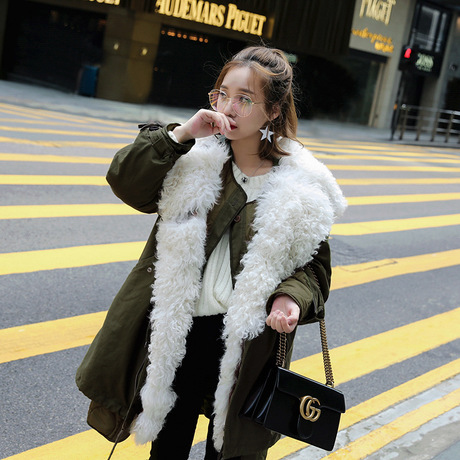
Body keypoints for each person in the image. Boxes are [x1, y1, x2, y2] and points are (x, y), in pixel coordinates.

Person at [76, 46, 347, 460]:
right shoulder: (194, 160)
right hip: (180, 328)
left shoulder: (302, 189)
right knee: (167, 445)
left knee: (227, 449)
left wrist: (290, 298)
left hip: (247, 340)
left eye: (245, 99)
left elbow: (313, 270)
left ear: (273, 111)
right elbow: (126, 181)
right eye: (222, 94)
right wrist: (183, 133)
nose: (228, 107)